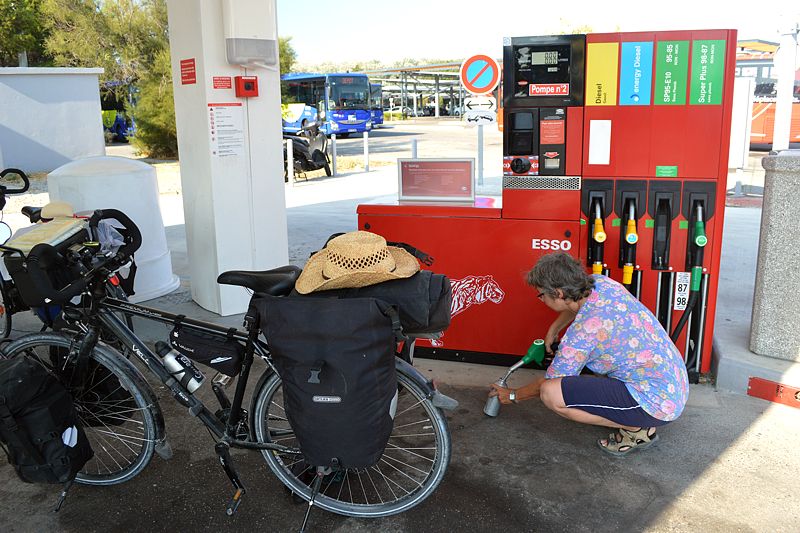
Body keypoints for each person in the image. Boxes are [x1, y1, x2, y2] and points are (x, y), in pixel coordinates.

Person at [489, 252, 689, 457]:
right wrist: (554, 329)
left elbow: (549, 381)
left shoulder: (581, 335)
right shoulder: (600, 283)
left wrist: (512, 395)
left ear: (557, 293)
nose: (541, 299)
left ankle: (636, 429)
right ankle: (633, 418)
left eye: (542, 294)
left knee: (551, 393)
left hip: (657, 403)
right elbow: (572, 304)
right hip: (673, 382)